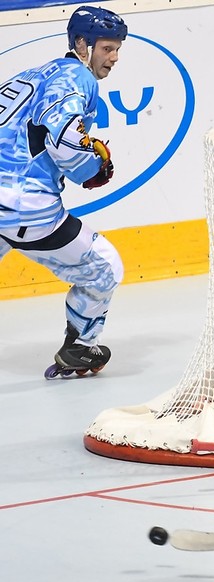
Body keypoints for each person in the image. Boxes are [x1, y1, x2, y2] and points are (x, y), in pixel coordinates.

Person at [0, 5, 127, 377]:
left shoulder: (31, 74)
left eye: (118, 48)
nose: (114, 57)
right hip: (26, 208)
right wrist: (93, 166)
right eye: (107, 48)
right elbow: (66, 143)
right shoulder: (76, 79)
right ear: (82, 44)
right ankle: (80, 348)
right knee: (104, 266)